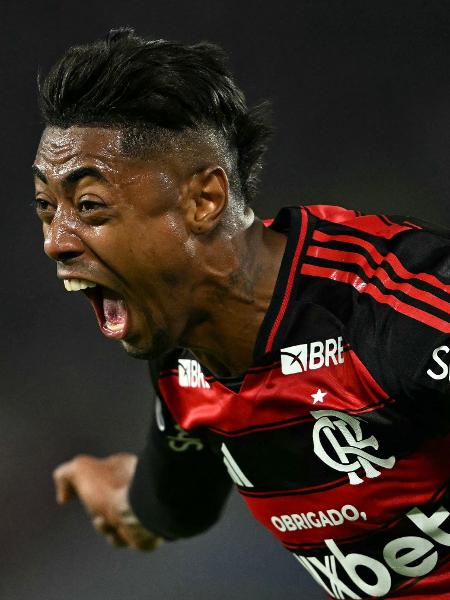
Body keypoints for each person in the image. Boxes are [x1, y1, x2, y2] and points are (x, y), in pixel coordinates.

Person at [33, 28, 450, 599]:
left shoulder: (386, 304)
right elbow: (173, 506)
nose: (55, 241)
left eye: (88, 206)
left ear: (204, 200)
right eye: (46, 207)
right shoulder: (184, 367)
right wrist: (112, 490)